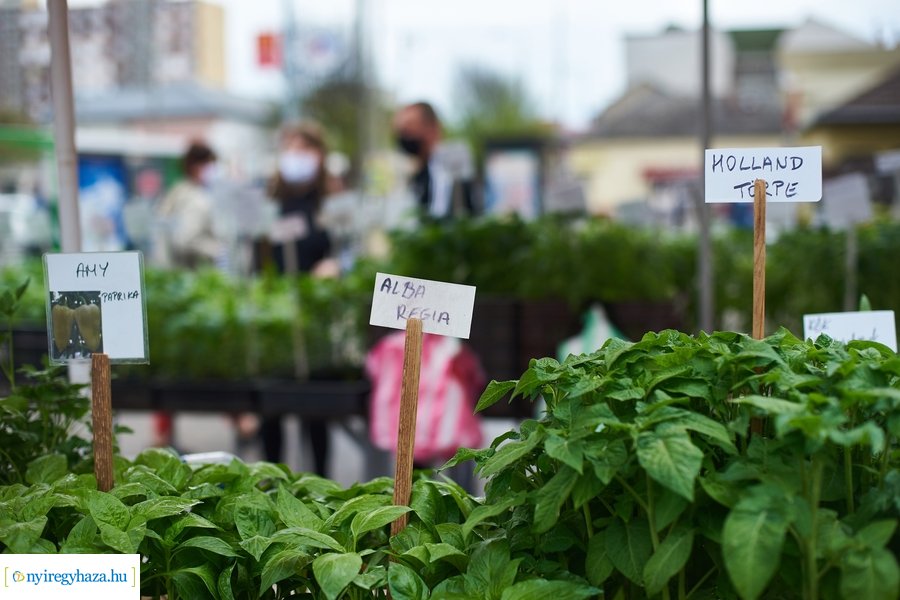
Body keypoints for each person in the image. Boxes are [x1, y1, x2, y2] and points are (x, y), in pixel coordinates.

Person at [259, 122, 334, 475]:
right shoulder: (269, 203)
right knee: (271, 409)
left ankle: (319, 487)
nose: (297, 157)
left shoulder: (330, 203)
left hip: (317, 317)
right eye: (290, 149)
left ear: (320, 155)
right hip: (274, 318)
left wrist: (336, 266)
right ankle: (272, 485)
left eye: (305, 149)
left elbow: (350, 248)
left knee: (316, 410)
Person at [393, 101, 478, 220]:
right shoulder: (417, 175)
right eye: (401, 131)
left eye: (409, 129)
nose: (404, 138)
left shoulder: (453, 166)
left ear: (433, 127)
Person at [154, 141, 222, 269]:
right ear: (196, 167)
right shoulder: (195, 198)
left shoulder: (178, 190)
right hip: (189, 270)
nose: (214, 170)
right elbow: (185, 239)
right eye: (210, 164)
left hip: (170, 269)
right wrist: (217, 250)